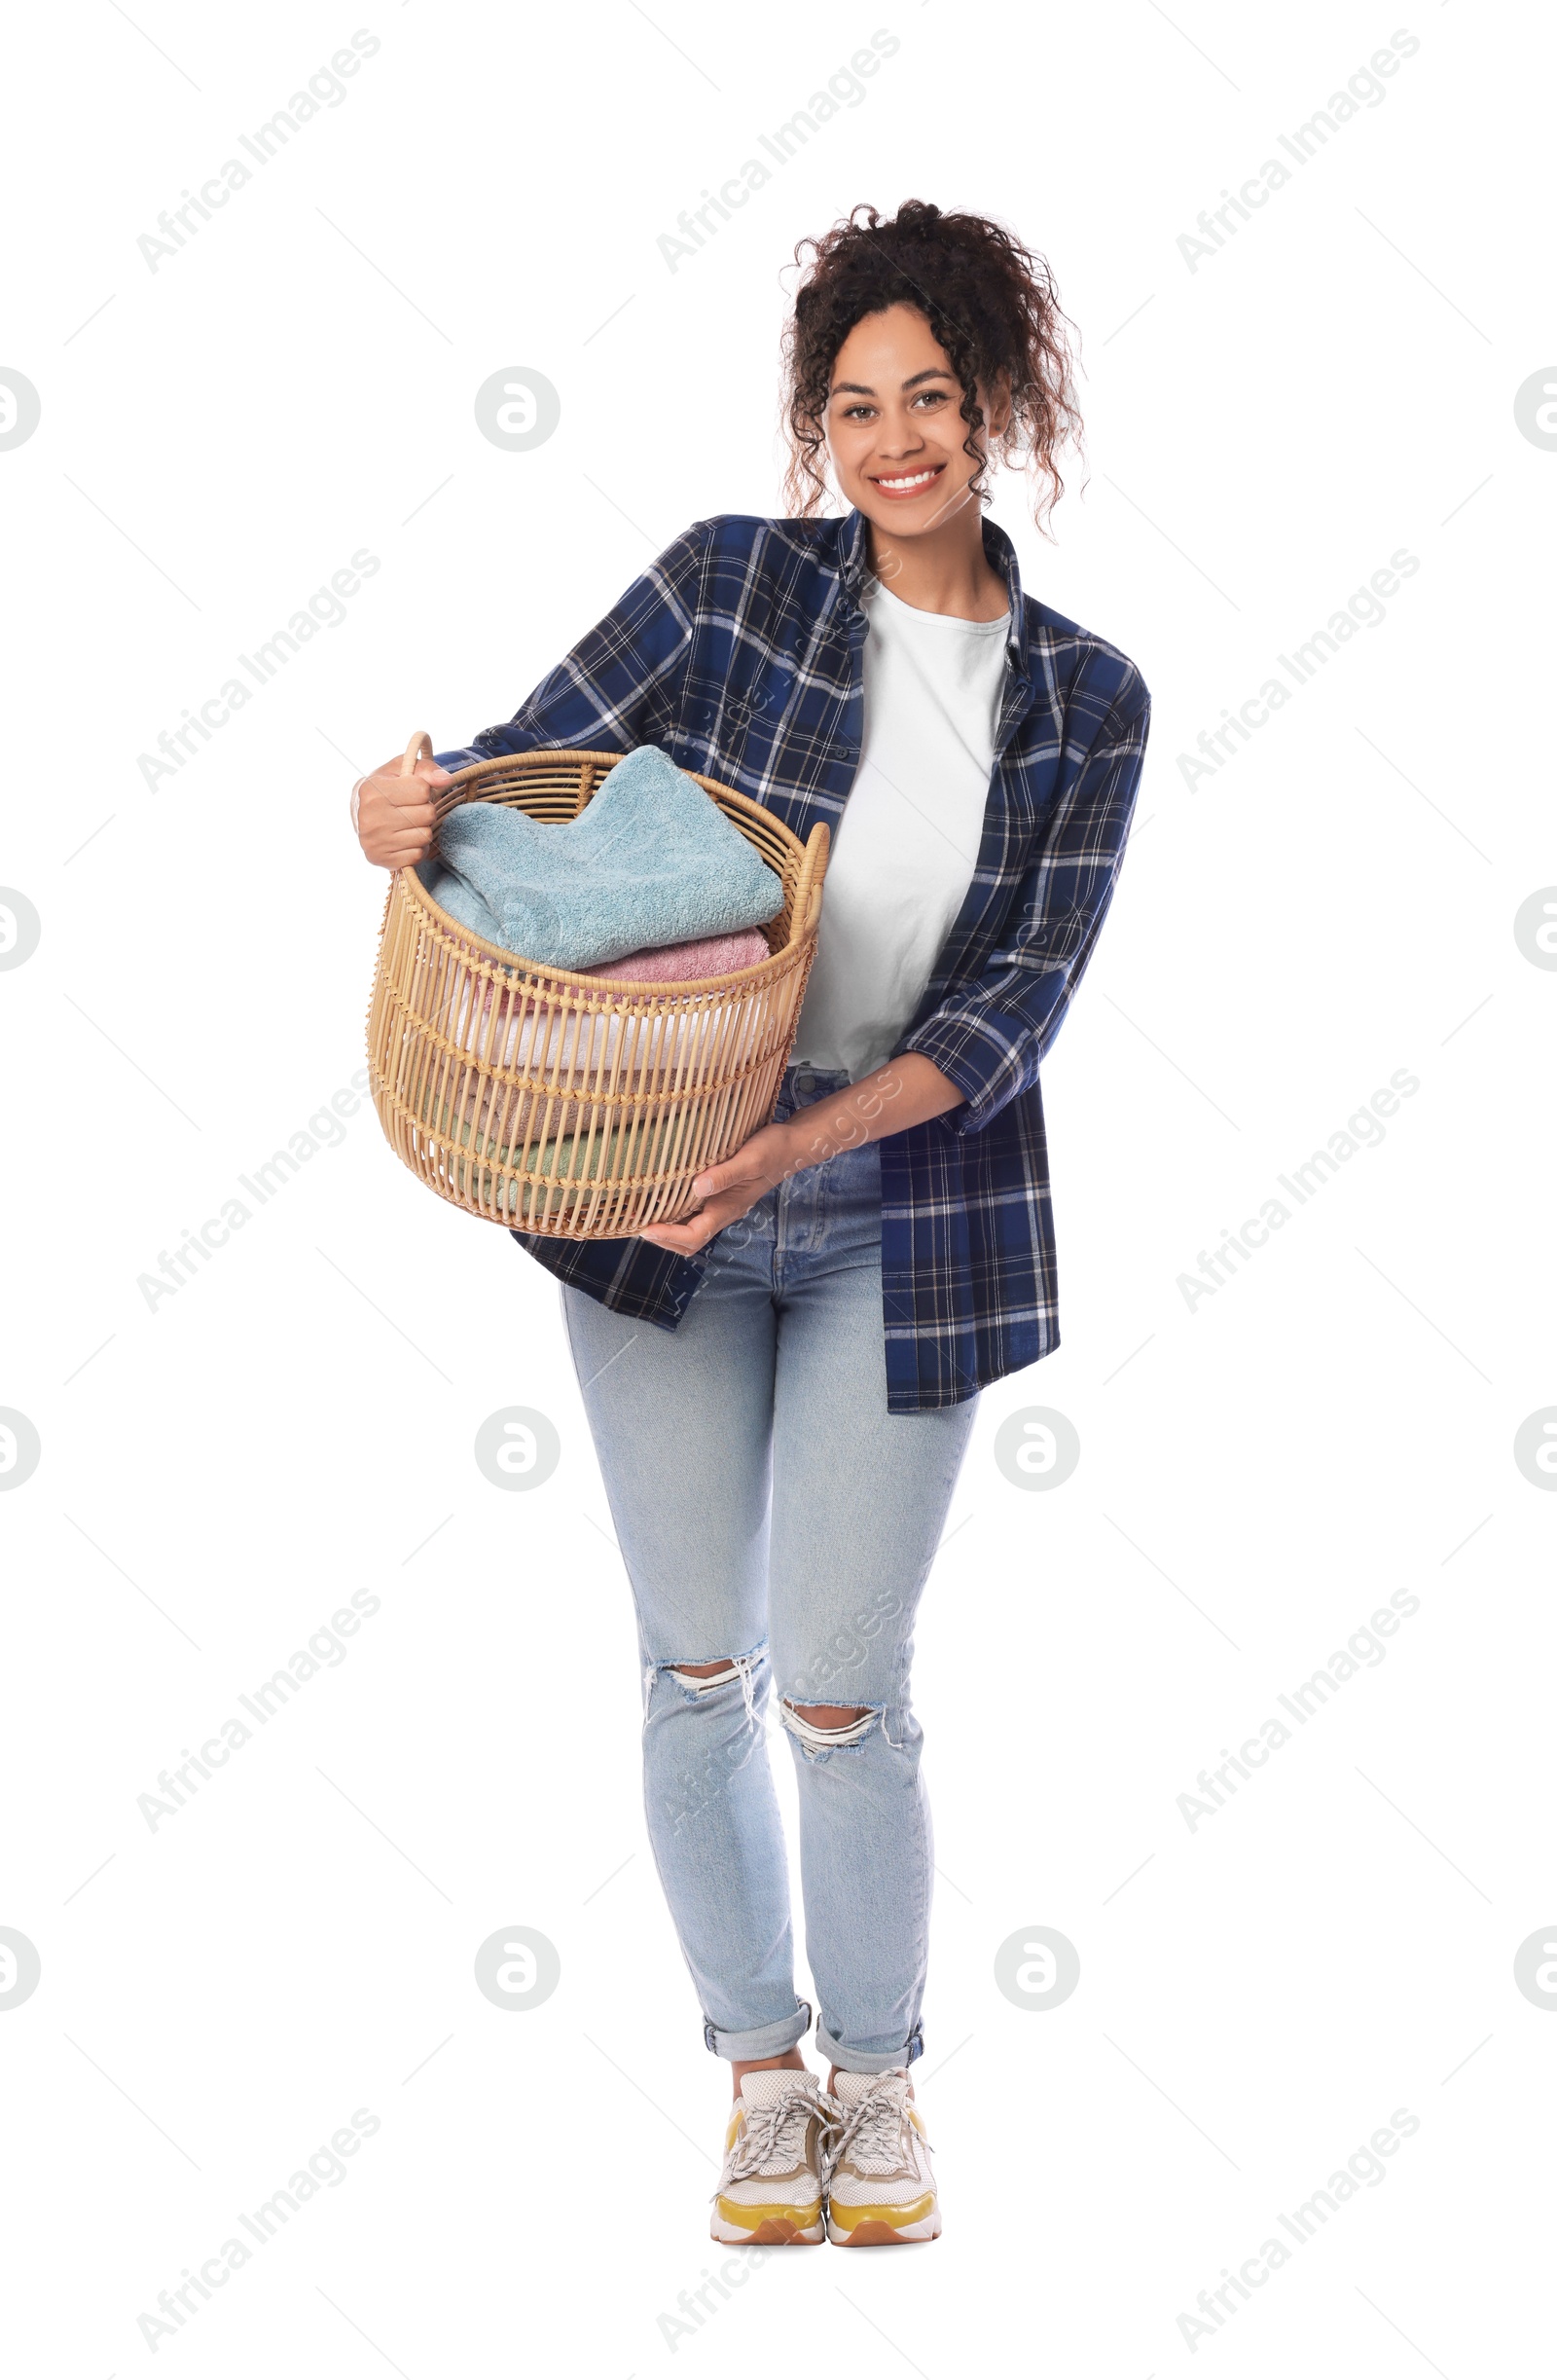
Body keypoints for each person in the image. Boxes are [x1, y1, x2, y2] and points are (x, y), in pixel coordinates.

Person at [353, 200, 1150, 2246]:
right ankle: (758, 2076)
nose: (895, 442)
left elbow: (1009, 1006)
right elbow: (523, 780)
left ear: (999, 410)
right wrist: (406, 796)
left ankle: (879, 2082)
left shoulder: (1084, 696)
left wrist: (797, 1150)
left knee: (837, 1678)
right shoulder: (731, 583)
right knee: (693, 1658)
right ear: (819, 424)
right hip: (650, 1190)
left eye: (933, 401)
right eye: (856, 405)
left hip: (899, 1199)